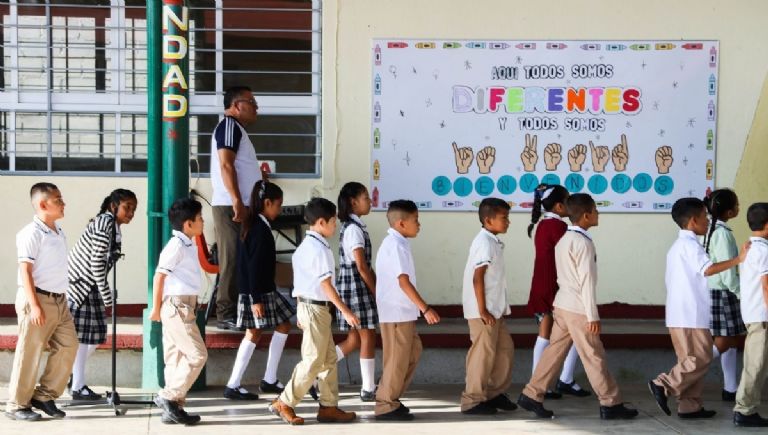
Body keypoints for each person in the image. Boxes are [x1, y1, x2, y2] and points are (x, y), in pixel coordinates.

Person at [518, 194, 637, 420]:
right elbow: (586, 282)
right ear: (586, 216)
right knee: (594, 356)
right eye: (596, 210)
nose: (598, 214)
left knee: (553, 352)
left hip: (562, 305)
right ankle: (610, 403)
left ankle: (531, 394)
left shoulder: (564, 238)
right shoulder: (583, 242)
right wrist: (593, 315)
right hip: (578, 309)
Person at [649, 197, 747, 419]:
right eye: (704, 217)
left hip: (680, 313)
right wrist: (738, 259)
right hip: (690, 314)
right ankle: (663, 384)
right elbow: (708, 269)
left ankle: (690, 406)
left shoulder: (679, 246)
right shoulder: (690, 245)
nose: (708, 221)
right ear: (693, 220)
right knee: (701, 358)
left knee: (689, 360)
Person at [269, 197, 360, 425]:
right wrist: (345, 311)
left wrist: (302, 308)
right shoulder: (318, 250)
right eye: (332, 221)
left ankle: (328, 407)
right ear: (321, 222)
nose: (335, 226)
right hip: (315, 308)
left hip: (311, 307)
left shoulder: (307, 247)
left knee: (328, 359)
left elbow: (302, 282)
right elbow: (325, 285)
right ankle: (284, 401)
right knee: (313, 360)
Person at [5, 182, 78, 421]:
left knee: (69, 345)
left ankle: (44, 395)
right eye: (58, 199)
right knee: (30, 352)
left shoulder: (57, 230)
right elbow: (25, 270)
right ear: (43, 204)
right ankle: (16, 405)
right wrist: (35, 305)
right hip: (37, 299)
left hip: (59, 301)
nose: (63, 203)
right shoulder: (31, 233)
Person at [224, 180, 295, 400]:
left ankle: (270, 379)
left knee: (283, 324)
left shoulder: (256, 225)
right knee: (253, 332)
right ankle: (233, 384)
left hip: (264, 290)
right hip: (257, 292)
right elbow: (253, 266)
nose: (280, 210)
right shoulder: (258, 229)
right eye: (278, 204)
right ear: (267, 203)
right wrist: (255, 299)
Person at [66, 189, 137, 400]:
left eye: (134, 209)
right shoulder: (105, 223)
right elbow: (97, 263)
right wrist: (108, 297)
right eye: (127, 207)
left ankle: (74, 377)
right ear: (113, 206)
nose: (131, 213)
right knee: (85, 337)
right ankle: (77, 385)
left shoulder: (112, 226)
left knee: (93, 336)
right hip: (81, 286)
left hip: (90, 285)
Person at [374, 200, 441, 421]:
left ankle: (392, 397)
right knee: (396, 360)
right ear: (401, 223)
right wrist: (425, 308)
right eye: (416, 220)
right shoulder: (394, 245)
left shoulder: (400, 243)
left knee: (412, 353)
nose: (419, 224)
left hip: (403, 312)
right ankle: (385, 404)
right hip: (396, 313)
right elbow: (403, 282)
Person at [526, 183, 590, 398]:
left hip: (547, 285)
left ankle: (563, 379)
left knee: (569, 334)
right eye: (568, 201)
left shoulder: (545, 224)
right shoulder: (558, 227)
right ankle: (540, 384)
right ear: (559, 206)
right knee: (547, 335)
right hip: (552, 287)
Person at [210, 86, 266, 330]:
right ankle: (225, 313)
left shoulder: (238, 130)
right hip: (230, 206)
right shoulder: (229, 126)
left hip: (242, 204)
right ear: (235, 106)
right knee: (233, 258)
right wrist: (236, 201)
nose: (256, 107)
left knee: (244, 258)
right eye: (251, 102)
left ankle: (240, 311)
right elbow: (226, 165)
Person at [149, 198, 209, 425]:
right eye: (200, 218)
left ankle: (173, 408)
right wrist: (155, 309)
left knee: (175, 358)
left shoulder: (188, 244)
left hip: (184, 305)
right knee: (197, 354)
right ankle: (168, 396)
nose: (203, 221)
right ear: (188, 224)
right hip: (177, 306)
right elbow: (159, 277)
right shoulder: (176, 246)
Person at [459, 198, 516, 415]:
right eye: (504, 218)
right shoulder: (484, 242)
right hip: (483, 311)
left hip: (494, 310)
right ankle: (472, 400)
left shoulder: (492, 241)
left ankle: (492, 393)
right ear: (488, 220)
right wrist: (482, 310)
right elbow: (478, 277)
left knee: (504, 350)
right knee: (482, 355)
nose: (508, 222)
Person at [333, 182, 379, 401]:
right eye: (366, 198)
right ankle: (368, 388)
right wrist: (375, 291)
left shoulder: (354, 227)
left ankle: (315, 374)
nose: (369, 201)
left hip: (352, 284)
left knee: (354, 340)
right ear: (353, 202)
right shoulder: (353, 229)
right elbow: (361, 266)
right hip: (356, 286)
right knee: (368, 334)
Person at [702, 188, 744, 401]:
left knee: (731, 340)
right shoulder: (722, 234)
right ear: (729, 212)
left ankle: (730, 388)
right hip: (724, 292)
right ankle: (681, 374)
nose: (739, 207)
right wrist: (740, 292)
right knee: (724, 341)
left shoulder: (710, 228)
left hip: (716, 291)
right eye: (736, 204)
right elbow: (728, 270)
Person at [732, 203, 768, 427]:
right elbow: (766, 286)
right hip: (761, 315)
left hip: (753, 313)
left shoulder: (749, 247)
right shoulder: (763, 251)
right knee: (756, 364)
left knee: (756, 363)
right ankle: (744, 410)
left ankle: (747, 408)